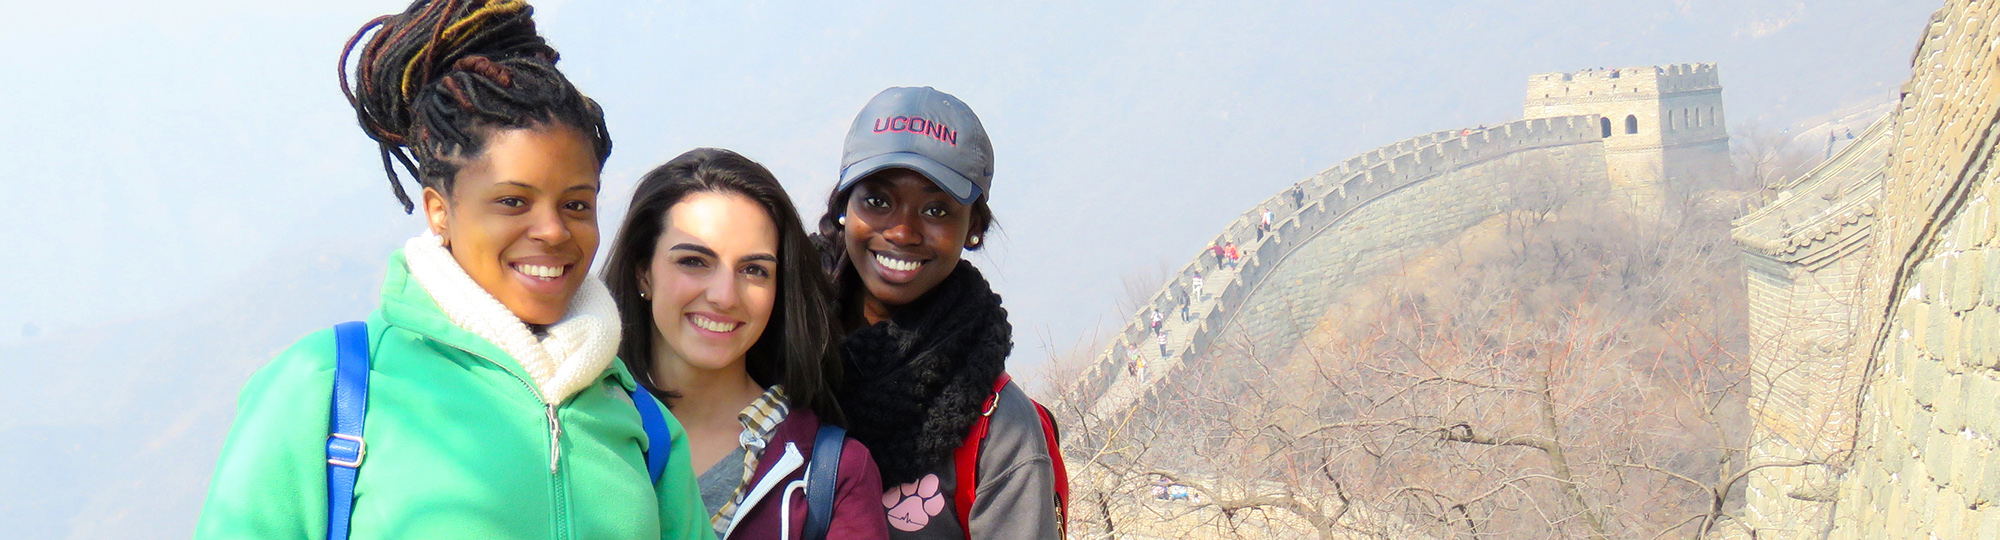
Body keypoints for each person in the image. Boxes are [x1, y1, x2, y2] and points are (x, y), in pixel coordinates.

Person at [195, 2, 711, 539]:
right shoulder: (329, 388)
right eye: (513, 202)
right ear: (439, 210)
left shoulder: (641, 422)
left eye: (577, 204)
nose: (554, 231)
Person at [814, 87, 1064, 539]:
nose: (903, 231)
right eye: (877, 200)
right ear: (842, 207)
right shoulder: (767, 350)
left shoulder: (1000, 429)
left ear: (973, 229)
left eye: (935, 209)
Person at [602, 148, 890, 540]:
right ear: (643, 274)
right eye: (693, 261)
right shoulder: (573, 429)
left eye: (754, 270)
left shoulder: (835, 475)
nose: (724, 295)